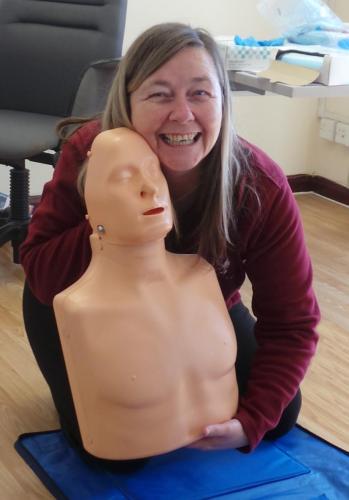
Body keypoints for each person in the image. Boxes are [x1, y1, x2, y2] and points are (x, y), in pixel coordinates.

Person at [20, 22, 320, 456]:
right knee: (117, 455)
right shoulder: (91, 151)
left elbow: (293, 322)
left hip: (193, 308)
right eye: (159, 94)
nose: (182, 114)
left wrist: (250, 420)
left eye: (200, 93)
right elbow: (43, 274)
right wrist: (108, 220)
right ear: (127, 102)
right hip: (81, 307)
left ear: (223, 101)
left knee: (279, 415)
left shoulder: (258, 186)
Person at [53, 127, 238, 460]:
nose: (150, 189)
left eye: (155, 173)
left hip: (216, 419)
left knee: (280, 417)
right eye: (124, 178)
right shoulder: (81, 309)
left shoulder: (202, 273)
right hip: (121, 443)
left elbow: (295, 317)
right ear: (92, 208)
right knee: (122, 467)